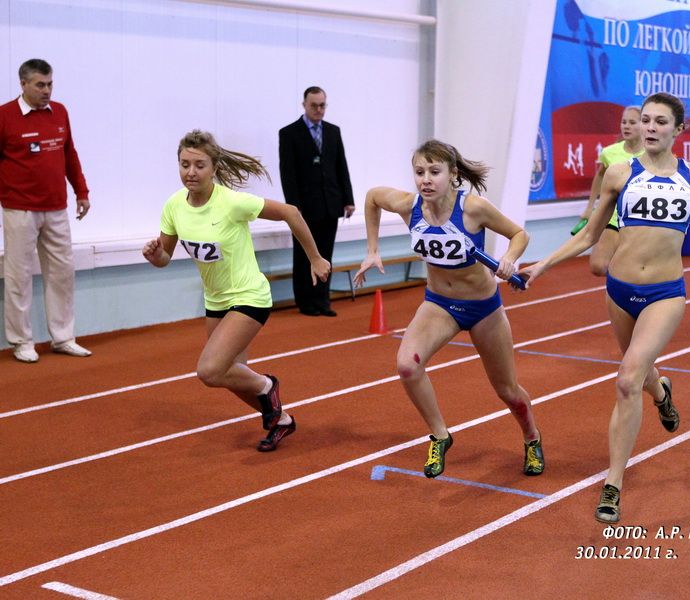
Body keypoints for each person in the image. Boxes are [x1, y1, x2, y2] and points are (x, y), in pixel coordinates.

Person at [518, 93, 690, 522]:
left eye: (660, 121)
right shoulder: (620, 173)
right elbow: (590, 235)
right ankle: (662, 393)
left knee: (626, 380)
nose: (651, 128)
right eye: (646, 120)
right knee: (639, 374)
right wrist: (542, 265)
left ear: (679, 129)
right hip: (620, 290)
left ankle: (613, 484)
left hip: (665, 294)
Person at [354, 139, 544, 479]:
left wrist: (509, 259)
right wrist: (372, 249)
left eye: (434, 172)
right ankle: (440, 435)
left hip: (483, 308)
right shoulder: (408, 205)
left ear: (453, 174)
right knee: (407, 365)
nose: (426, 180)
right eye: (419, 172)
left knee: (507, 390)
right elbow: (371, 198)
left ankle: (531, 438)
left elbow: (519, 234)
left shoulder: (473, 208)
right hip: (439, 304)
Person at [143, 130, 330, 452]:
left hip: (249, 296)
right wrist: (154, 255)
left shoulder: (232, 202)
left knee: (210, 370)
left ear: (214, 168)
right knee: (230, 374)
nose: (191, 172)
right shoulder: (174, 206)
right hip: (216, 301)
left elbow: (291, 212)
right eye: (185, 164)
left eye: (199, 165)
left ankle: (267, 385)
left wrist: (315, 257)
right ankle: (281, 419)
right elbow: (164, 259)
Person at [0, 58, 92, 363]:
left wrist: (81, 191)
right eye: (40, 85)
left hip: (56, 209)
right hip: (19, 210)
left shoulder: (60, 112)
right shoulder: (5, 116)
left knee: (62, 274)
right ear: (23, 84)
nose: (47, 90)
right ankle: (21, 341)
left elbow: (69, 154)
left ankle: (63, 338)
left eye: (50, 84)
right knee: (18, 276)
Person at [278, 86, 354, 317]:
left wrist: (348, 199)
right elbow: (287, 173)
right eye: (314, 105)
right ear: (304, 105)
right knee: (303, 257)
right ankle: (305, 302)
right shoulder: (289, 133)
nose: (319, 109)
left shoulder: (333, 131)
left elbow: (341, 166)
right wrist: (293, 207)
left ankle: (323, 300)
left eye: (322, 105)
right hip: (304, 208)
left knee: (325, 255)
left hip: (330, 203)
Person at [581, 105, 643, 277]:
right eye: (624, 122)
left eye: (632, 122)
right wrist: (590, 207)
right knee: (598, 266)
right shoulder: (609, 152)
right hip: (614, 216)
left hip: (640, 219)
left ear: (644, 125)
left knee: (633, 269)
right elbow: (600, 176)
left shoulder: (652, 154)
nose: (626, 126)